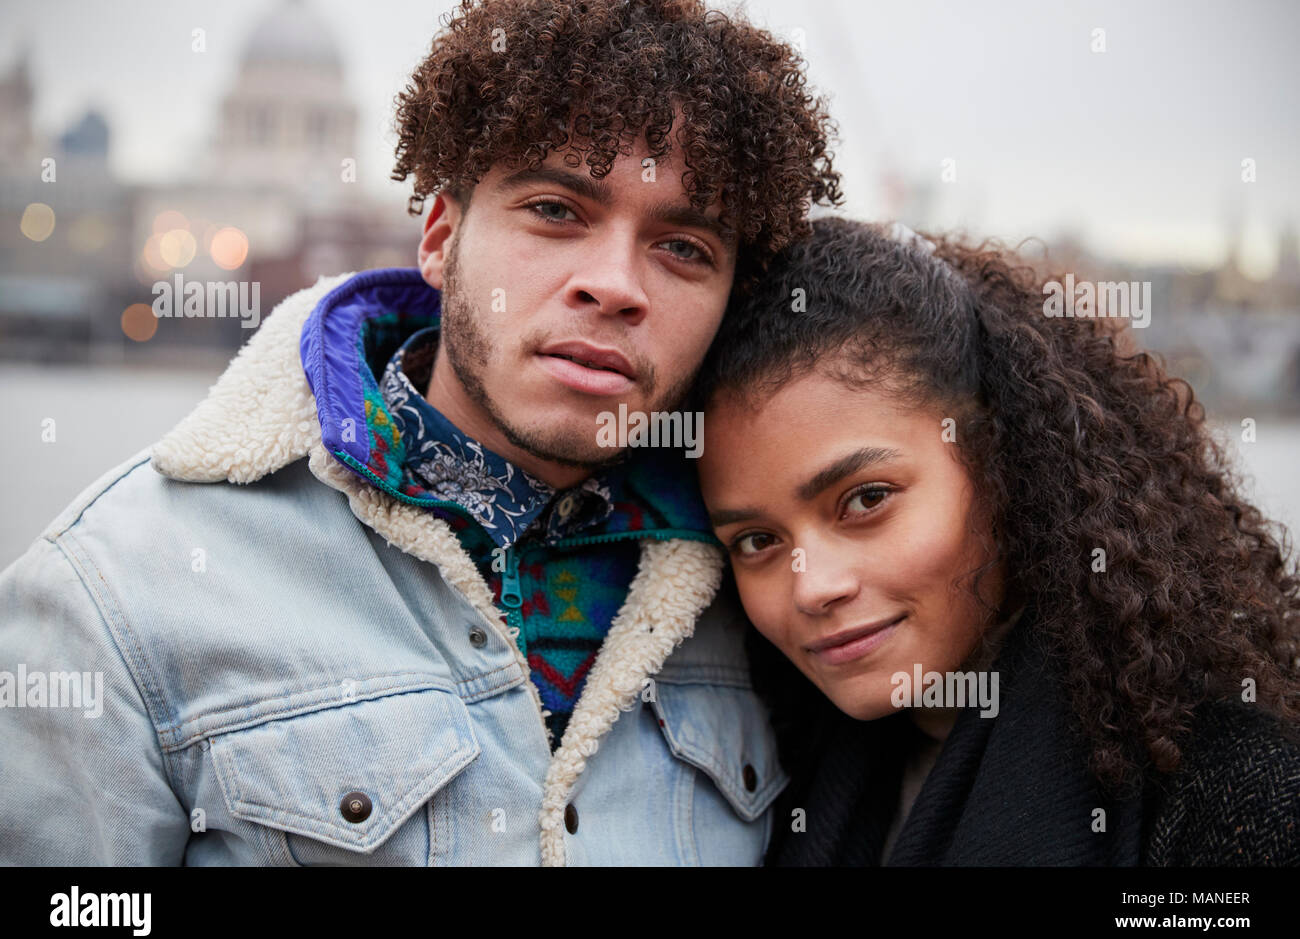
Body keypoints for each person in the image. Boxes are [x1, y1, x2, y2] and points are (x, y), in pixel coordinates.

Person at [0, 0, 841, 865]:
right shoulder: (121, 586)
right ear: (440, 239)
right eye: (556, 210)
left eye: (684, 248)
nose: (614, 283)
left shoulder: (775, 591)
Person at [693, 216, 1300, 865]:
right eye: (757, 541)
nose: (813, 586)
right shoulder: (767, 786)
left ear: (1001, 464)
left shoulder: (1237, 797)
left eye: (866, 500)